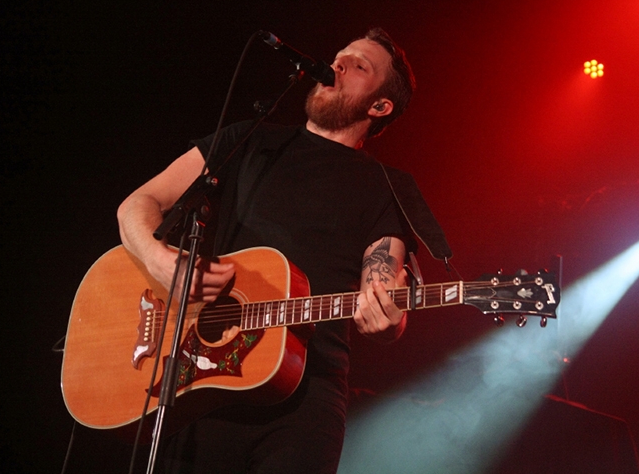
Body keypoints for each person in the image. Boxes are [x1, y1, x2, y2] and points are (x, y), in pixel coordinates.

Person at [116, 27, 417, 473]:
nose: (338, 64)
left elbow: (384, 283)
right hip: (198, 377)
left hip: (304, 396)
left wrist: (388, 316)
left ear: (379, 105)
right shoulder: (249, 139)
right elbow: (137, 204)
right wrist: (161, 261)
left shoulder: (387, 187)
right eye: (340, 55)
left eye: (359, 65)